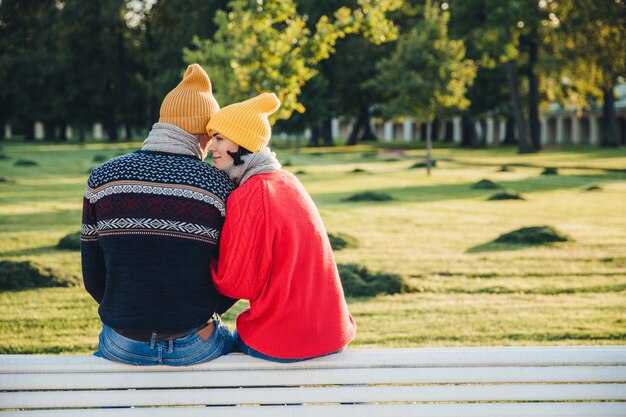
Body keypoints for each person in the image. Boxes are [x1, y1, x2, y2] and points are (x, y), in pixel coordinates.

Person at [81, 64, 237, 366]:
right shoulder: (219, 186)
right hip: (196, 342)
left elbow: (93, 275)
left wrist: (130, 315)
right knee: (236, 358)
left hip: (122, 342)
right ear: (204, 133)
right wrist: (203, 317)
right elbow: (232, 276)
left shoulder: (103, 178)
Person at [206, 92, 356, 362]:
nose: (210, 148)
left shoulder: (250, 194)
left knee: (212, 349)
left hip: (283, 339)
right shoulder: (288, 181)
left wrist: (201, 256)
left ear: (242, 142)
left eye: (218, 138)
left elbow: (238, 285)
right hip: (332, 332)